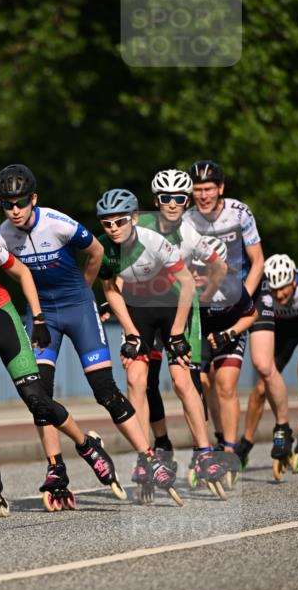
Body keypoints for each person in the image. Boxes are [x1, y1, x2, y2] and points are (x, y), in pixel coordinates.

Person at [0, 186, 126, 519]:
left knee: (36, 399)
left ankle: (87, 444)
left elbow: (23, 273)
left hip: (2, 321)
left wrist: (39, 319)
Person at [0, 163, 163, 508]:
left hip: (79, 308)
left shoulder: (58, 222)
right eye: (7, 204)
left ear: (33, 199)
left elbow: (96, 252)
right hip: (43, 318)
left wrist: (84, 289)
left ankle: (147, 455)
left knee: (105, 391)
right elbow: (2, 275)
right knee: (38, 394)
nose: (15, 210)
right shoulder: (0, 237)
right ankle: (57, 467)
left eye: (21, 202)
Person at [95, 188, 228, 502]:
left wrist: (179, 334)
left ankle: (204, 452)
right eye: (106, 223)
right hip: (139, 311)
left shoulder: (153, 241)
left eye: (119, 222)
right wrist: (129, 331)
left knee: (182, 380)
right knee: (135, 379)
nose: (113, 229)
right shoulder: (104, 249)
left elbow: (185, 285)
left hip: (173, 308)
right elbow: (111, 289)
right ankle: (147, 457)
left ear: (135, 219)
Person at [184, 160, 286, 462]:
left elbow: (257, 261)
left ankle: (279, 428)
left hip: (244, 296)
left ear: (221, 189)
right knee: (203, 381)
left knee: (252, 370)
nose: (203, 196)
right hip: (205, 305)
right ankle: (220, 439)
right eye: (198, 190)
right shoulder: (187, 220)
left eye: (209, 190)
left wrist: (242, 298)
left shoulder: (240, 213)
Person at [138, 168, 227, 464]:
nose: (173, 203)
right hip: (149, 311)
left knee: (185, 382)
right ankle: (161, 441)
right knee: (146, 380)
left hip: (181, 314)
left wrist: (203, 297)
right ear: (156, 200)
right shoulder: (140, 229)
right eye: (166, 198)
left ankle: (202, 451)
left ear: (187, 201)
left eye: (179, 198)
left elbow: (220, 268)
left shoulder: (190, 235)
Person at [239, 255, 298, 473]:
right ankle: (246, 442)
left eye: (284, 288)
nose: (280, 294)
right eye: (275, 290)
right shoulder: (265, 294)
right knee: (263, 386)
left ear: (293, 282)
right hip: (284, 331)